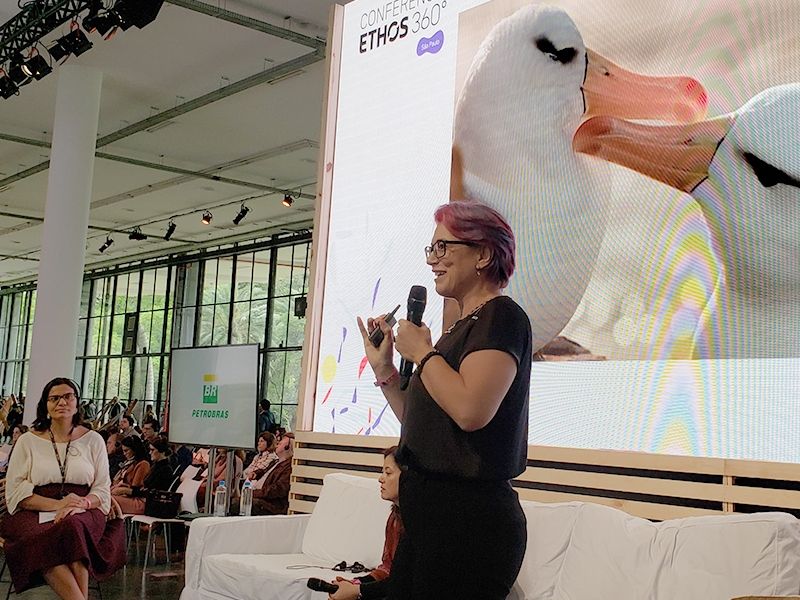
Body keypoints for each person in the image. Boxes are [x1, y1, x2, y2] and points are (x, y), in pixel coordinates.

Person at [357, 201, 531, 600]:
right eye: (431, 248)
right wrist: (386, 370)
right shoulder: (459, 330)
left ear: (483, 254)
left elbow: (470, 411)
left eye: (443, 247)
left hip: (469, 525)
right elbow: (422, 422)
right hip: (430, 517)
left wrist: (423, 353)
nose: (432, 260)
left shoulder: (502, 318)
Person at [1, 377, 126, 598]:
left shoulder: (94, 440)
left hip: (85, 507)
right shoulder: (27, 441)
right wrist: (59, 504)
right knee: (44, 537)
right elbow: (16, 490)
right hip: (35, 507)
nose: (62, 402)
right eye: (54, 398)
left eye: (68, 396)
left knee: (73, 526)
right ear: (45, 405)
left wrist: (82, 503)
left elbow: (101, 488)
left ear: (77, 403)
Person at [329, 446, 405, 600]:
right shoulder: (394, 517)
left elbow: (404, 581)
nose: (381, 479)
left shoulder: (419, 523)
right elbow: (387, 569)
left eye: (388, 473)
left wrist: (358, 590)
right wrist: (355, 583)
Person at [114, 437, 175, 515]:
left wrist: (126, 490)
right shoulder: (157, 466)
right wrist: (127, 488)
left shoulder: (165, 470)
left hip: (148, 504)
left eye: (152, 450)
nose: (150, 453)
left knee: (109, 499)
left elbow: (151, 492)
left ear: (162, 452)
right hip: (146, 501)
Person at [248, 433, 293, 515]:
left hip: (271, 504)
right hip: (260, 495)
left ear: (287, 447)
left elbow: (279, 489)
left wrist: (255, 493)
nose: (277, 445)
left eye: (280, 443)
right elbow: (265, 471)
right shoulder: (276, 461)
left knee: (236, 502)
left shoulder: (289, 467)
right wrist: (256, 473)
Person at [110, 435, 150, 500]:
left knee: (107, 500)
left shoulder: (143, 464)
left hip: (135, 498)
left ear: (134, 449)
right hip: (122, 493)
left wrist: (122, 489)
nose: (124, 454)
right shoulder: (127, 462)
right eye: (123, 451)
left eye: (126, 451)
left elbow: (135, 489)